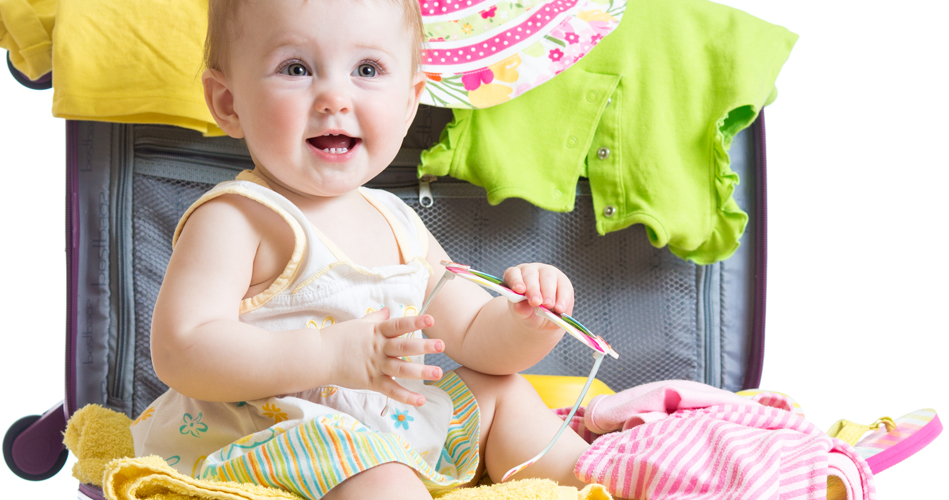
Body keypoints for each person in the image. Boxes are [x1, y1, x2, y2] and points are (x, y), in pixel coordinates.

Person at [130, 1, 594, 498]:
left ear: (411, 100)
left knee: (502, 392)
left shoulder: (398, 223)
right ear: (228, 102)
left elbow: (476, 337)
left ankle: (591, 483)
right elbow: (182, 351)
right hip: (270, 438)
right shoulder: (238, 217)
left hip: (386, 423)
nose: (334, 97)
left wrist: (527, 321)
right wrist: (326, 353)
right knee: (380, 474)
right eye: (296, 68)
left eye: (367, 70)